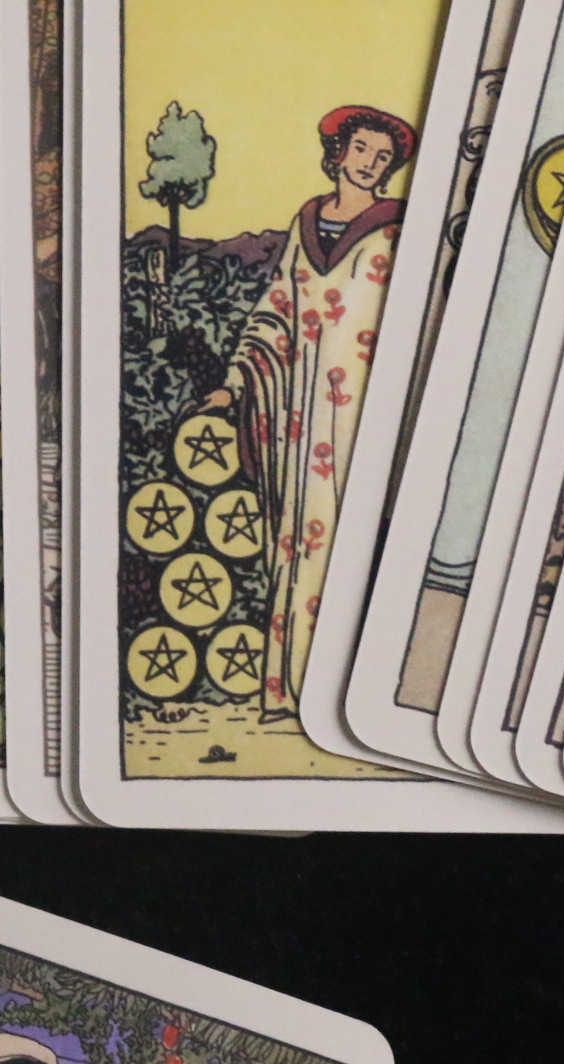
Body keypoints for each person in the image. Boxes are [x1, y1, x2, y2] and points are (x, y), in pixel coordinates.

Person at [198, 105, 417, 717]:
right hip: (299, 416)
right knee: (296, 539)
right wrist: (234, 384)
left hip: (363, 415)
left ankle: (353, 698)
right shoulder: (307, 222)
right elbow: (277, 308)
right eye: (362, 149)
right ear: (339, 152)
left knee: (356, 537)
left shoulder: (399, 228)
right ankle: (290, 686)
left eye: (382, 156)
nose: (371, 163)